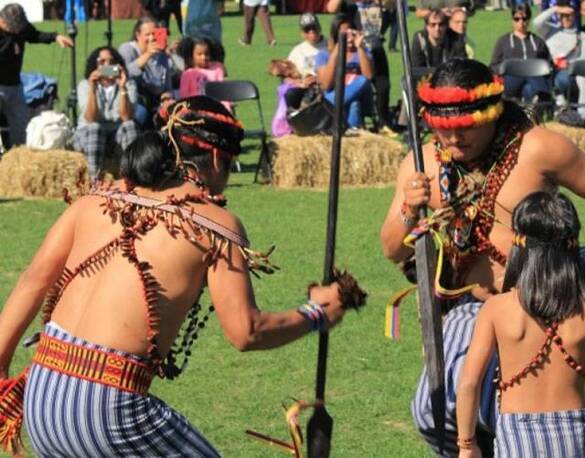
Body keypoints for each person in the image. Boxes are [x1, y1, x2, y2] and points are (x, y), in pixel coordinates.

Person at [0, 96, 363, 456]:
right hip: (108, 409)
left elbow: (33, 280)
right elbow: (246, 331)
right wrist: (316, 314)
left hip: (41, 396)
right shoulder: (214, 224)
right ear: (219, 159)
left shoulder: (94, 199)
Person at [379, 58, 585, 457]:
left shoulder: (538, 147)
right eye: (445, 130)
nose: (455, 140)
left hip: (540, 299)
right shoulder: (423, 163)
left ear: (492, 114)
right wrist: (410, 209)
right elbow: (393, 249)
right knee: (432, 411)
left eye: (467, 127)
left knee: (511, 411)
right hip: (471, 305)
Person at [456, 191, 585, 457]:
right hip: (572, 434)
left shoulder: (497, 309)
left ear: (519, 246)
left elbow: (469, 382)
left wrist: (467, 445)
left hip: (516, 435)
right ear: (572, 247)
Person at [0, 3, 73, 147]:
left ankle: (19, 155)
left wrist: (55, 37)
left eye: (19, 28)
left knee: (21, 124)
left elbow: (35, 35)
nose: (17, 32)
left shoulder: (21, 28)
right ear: (2, 20)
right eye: (14, 28)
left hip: (15, 85)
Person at [326, 0, 394, 132]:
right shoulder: (349, 4)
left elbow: (390, 5)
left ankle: (383, 122)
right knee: (357, 84)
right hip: (351, 47)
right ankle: (340, 113)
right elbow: (331, 8)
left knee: (383, 86)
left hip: (374, 44)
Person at [73, 46, 140, 179]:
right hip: (90, 136)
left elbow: (126, 117)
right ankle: (94, 180)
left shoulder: (129, 84)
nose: (107, 65)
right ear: (95, 64)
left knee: (130, 125)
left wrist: (122, 87)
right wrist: (92, 88)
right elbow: (90, 118)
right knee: (95, 127)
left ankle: (133, 177)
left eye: (111, 61)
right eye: (102, 62)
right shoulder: (85, 85)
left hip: (116, 135)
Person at [316, 16, 374, 130]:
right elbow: (326, 85)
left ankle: (330, 105)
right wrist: (336, 52)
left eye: (351, 34)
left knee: (363, 80)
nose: (348, 39)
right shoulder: (324, 54)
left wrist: (360, 48)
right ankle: (351, 133)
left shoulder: (363, 51)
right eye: (343, 35)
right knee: (354, 104)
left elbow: (369, 76)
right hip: (335, 92)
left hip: (363, 97)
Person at [489, 4, 552, 103]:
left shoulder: (538, 41)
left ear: (529, 20)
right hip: (511, 80)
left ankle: (532, 111)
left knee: (529, 88)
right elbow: (493, 66)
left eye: (524, 18)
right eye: (517, 19)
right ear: (512, 20)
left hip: (533, 81)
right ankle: (544, 97)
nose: (521, 22)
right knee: (527, 70)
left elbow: (547, 63)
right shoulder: (503, 41)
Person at [119, 17, 173, 127]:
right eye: (147, 34)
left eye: (155, 34)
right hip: (131, 101)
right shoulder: (127, 49)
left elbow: (166, 86)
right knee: (140, 113)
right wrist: (148, 54)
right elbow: (125, 74)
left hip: (155, 102)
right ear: (138, 35)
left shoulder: (162, 56)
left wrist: (167, 99)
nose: (152, 38)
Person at [533, 2, 585, 102]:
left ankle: (562, 104)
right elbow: (536, 23)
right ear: (558, 15)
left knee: (563, 79)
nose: (566, 18)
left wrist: (568, 64)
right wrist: (555, 9)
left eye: (569, 15)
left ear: (574, 15)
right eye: (563, 15)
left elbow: (583, 59)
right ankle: (558, 104)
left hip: (568, 70)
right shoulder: (550, 30)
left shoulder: (581, 36)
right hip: (549, 69)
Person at [178, 36, 230, 112]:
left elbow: (223, 92)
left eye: (206, 54)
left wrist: (227, 108)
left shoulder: (217, 69)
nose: (204, 57)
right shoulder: (188, 74)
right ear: (192, 56)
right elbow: (184, 96)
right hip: (194, 109)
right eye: (199, 54)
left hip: (215, 108)